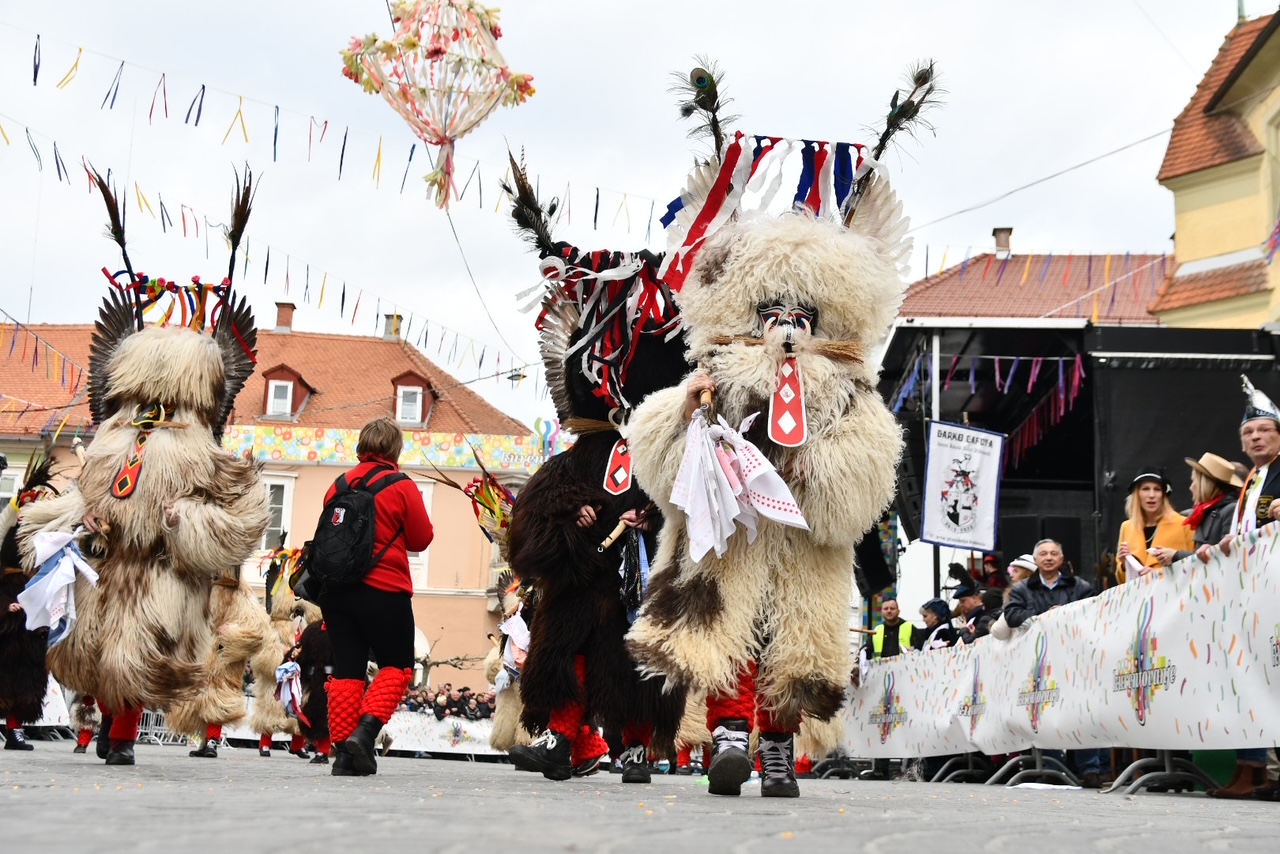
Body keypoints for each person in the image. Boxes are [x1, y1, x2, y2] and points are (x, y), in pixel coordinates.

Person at [319, 417, 434, 777]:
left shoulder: (337, 485)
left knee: (347, 670)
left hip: (335, 592)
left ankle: (344, 754)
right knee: (398, 666)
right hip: (385, 589)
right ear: (395, 449)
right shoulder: (401, 486)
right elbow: (421, 539)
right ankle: (366, 733)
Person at [1199, 378, 1280, 799]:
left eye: (1264, 430)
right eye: (1248, 432)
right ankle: (1253, 770)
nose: (1255, 437)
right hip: (1252, 595)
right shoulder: (1254, 478)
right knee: (1248, 679)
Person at [1003, 539, 1105, 786]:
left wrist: (1067, 613)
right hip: (1040, 662)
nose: (1048, 558)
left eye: (1054, 554)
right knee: (1047, 713)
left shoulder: (1080, 586)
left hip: (1076, 659)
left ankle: (1089, 769)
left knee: (1082, 712)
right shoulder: (1022, 589)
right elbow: (1012, 615)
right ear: (1036, 560)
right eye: (1043, 554)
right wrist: (1044, 617)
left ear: (1061, 558)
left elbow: (1095, 611)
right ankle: (1052, 766)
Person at [857, 598, 916, 781]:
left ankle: (910, 769)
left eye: (892, 608)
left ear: (898, 610)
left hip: (906, 684)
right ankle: (881, 769)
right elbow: (865, 652)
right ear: (882, 611)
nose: (889, 611)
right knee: (882, 725)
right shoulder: (877, 631)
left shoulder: (910, 628)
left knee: (908, 725)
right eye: (886, 609)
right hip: (883, 686)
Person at [1114, 469, 1194, 582]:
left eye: (1157, 489)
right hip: (1139, 596)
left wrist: (1158, 575)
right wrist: (1123, 565)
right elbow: (1122, 581)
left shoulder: (1184, 524)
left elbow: (1195, 567)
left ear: (1164, 495)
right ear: (1137, 494)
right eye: (1145, 489)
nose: (1151, 495)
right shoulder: (1127, 527)